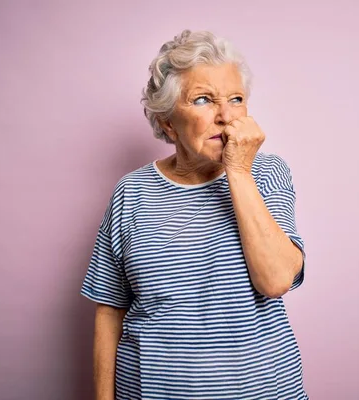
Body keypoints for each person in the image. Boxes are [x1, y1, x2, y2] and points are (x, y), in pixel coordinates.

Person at [80, 29, 308, 400]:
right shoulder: (132, 192)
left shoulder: (266, 173)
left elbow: (277, 279)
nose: (225, 116)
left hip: (260, 391)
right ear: (169, 122)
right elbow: (109, 309)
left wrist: (237, 170)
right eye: (203, 100)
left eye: (236, 99)